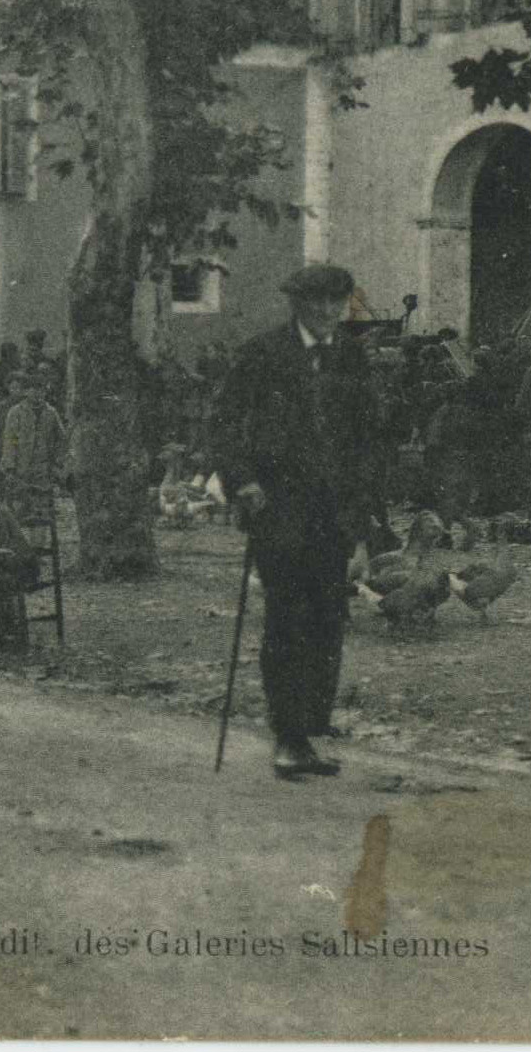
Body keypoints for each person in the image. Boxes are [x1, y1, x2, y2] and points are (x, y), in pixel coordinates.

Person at [212, 263, 377, 782]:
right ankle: (287, 735)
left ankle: (310, 734)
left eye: (339, 301)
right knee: (288, 617)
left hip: (334, 514)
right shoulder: (264, 354)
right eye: (319, 302)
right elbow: (222, 423)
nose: (330, 311)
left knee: (328, 620)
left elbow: (369, 437)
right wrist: (242, 480)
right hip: (279, 508)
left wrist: (366, 513)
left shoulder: (351, 357)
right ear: (297, 304)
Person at [0, 366, 68, 516]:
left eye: (41, 390)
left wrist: (58, 462)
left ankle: (43, 538)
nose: (37, 394)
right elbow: (10, 440)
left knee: (43, 513)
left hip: (43, 470)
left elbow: (62, 440)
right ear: (25, 392)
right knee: (20, 511)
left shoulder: (51, 413)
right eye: (33, 390)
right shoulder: (16, 413)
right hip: (21, 469)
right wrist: (10, 467)